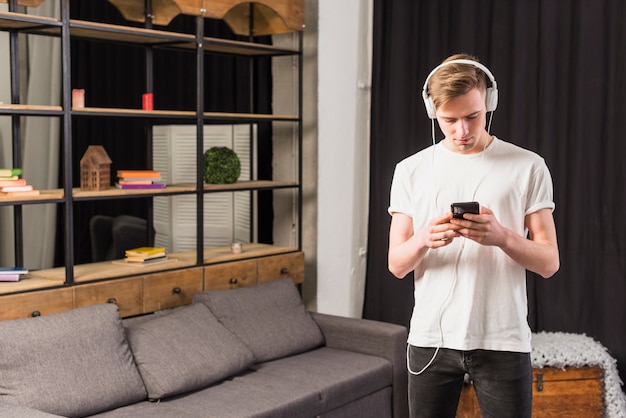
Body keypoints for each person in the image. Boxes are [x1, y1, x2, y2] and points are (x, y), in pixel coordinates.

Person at [387, 53, 559, 417]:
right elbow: (396, 265)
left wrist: (502, 236)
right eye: (449, 120)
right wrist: (423, 239)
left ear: (489, 103)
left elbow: (549, 263)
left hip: (503, 338)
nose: (462, 131)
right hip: (430, 340)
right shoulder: (410, 171)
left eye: (472, 117)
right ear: (432, 111)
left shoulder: (528, 165)